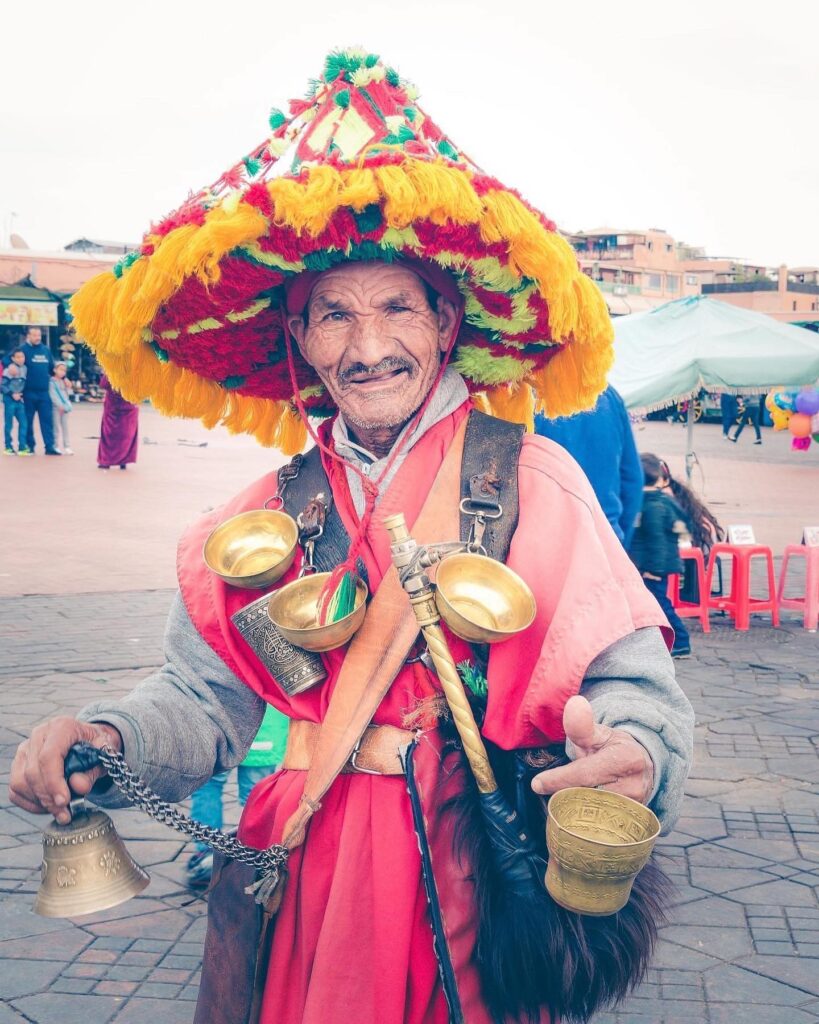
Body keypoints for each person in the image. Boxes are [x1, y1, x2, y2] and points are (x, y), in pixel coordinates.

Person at [10, 52, 694, 1024]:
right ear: (297, 336)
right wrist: (108, 738)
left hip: (472, 880)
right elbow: (200, 706)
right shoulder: (267, 517)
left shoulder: (531, 479)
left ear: (447, 320)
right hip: (304, 885)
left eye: (395, 308)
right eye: (333, 314)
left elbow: (637, 694)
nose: (366, 347)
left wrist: (635, 758)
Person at [187, 704, 290, 888]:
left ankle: (208, 856)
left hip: (217, 727)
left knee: (208, 787)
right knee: (257, 798)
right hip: (265, 730)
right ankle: (254, 857)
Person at [535, 384, 643, 546]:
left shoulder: (528, 395)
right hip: (606, 540)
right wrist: (619, 542)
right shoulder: (609, 395)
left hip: (549, 543)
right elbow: (633, 480)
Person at [629, 454, 691, 658]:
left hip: (653, 568)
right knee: (654, 603)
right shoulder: (658, 501)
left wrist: (653, 570)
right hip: (649, 566)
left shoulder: (652, 506)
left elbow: (656, 541)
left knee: (660, 604)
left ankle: (680, 641)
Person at [21, 326, 59, 455]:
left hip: (44, 393)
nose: (37, 337)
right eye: (34, 335)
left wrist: (63, 377)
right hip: (28, 392)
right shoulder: (22, 350)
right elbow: (8, 362)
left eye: (39, 335)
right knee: (28, 420)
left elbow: (52, 369)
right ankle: (29, 446)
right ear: (28, 336)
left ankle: (50, 446)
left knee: (47, 421)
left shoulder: (45, 350)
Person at [97, 375, 139, 469]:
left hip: (122, 406)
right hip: (119, 405)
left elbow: (103, 384)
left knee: (116, 434)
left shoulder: (114, 368)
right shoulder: (113, 368)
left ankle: (111, 461)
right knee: (123, 434)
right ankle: (118, 460)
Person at [2, 349, 30, 455]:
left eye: (22, 356)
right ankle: (8, 447)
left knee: (24, 423)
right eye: (18, 357)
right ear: (13, 358)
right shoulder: (8, 370)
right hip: (9, 400)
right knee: (9, 424)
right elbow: (3, 385)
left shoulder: (25, 368)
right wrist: (12, 394)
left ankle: (22, 447)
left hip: (20, 400)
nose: (21, 359)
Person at [49, 362, 74, 455]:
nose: (62, 372)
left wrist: (69, 386)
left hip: (64, 408)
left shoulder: (64, 381)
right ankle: (55, 446)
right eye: (60, 369)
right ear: (55, 370)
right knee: (56, 427)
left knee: (65, 427)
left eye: (64, 370)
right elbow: (53, 395)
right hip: (56, 408)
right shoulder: (51, 381)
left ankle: (67, 446)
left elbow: (69, 394)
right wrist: (60, 406)